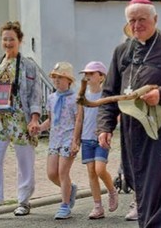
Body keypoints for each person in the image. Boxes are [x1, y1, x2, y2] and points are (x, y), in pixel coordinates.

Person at [97, 0, 161, 228]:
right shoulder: (122, 51)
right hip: (133, 137)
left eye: (142, 19)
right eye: (132, 20)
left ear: (155, 19)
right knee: (148, 194)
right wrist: (105, 126)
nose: (136, 25)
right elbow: (109, 92)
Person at [0, 21, 42, 220]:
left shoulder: (29, 66)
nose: (7, 42)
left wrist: (35, 118)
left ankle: (23, 201)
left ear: (19, 41)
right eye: (4, 39)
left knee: (25, 162)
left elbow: (35, 95)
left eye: (11, 39)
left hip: (20, 120)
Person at [71, 61, 118, 219]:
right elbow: (79, 119)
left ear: (101, 77)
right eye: (86, 74)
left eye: (92, 73)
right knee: (91, 172)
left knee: (100, 169)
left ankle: (112, 191)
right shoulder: (83, 96)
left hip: (101, 137)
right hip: (86, 139)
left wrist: (109, 131)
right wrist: (75, 140)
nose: (88, 76)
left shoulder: (105, 95)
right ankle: (98, 206)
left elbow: (111, 115)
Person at [39, 62, 78, 219]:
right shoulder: (51, 98)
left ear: (68, 80)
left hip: (69, 138)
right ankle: (70, 189)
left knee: (63, 172)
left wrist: (76, 141)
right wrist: (39, 128)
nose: (56, 80)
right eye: (54, 78)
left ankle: (64, 205)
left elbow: (78, 121)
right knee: (51, 173)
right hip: (55, 139)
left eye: (60, 78)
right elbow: (50, 120)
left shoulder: (76, 99)